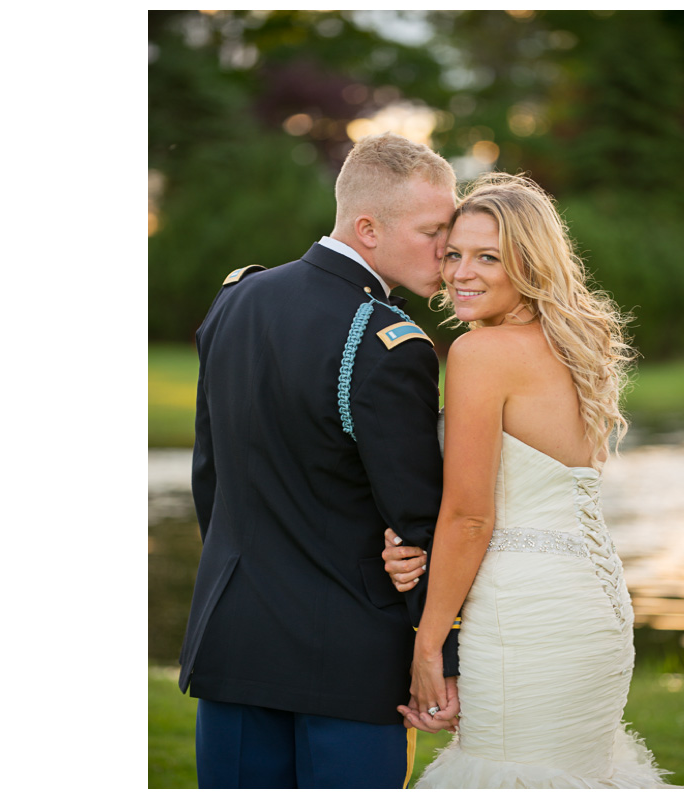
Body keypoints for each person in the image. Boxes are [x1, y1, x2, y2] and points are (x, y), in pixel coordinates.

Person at [178, 132, 463, 789]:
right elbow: (418, 518)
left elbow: (210, 480)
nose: (444, 250)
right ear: (368, 228)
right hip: (348, 661)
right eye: (430, 231)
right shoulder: (392, 342)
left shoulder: (236, 301)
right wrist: (438, 654)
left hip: (231, 641)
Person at [384, 173, 683, 788]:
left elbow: (472, 516)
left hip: (524, 612)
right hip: (592, 603)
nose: (461, 273)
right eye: (454, 255)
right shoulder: (574, 348)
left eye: (487, 257)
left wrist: (428, 644)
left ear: (528, 262)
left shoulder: (480, 354)